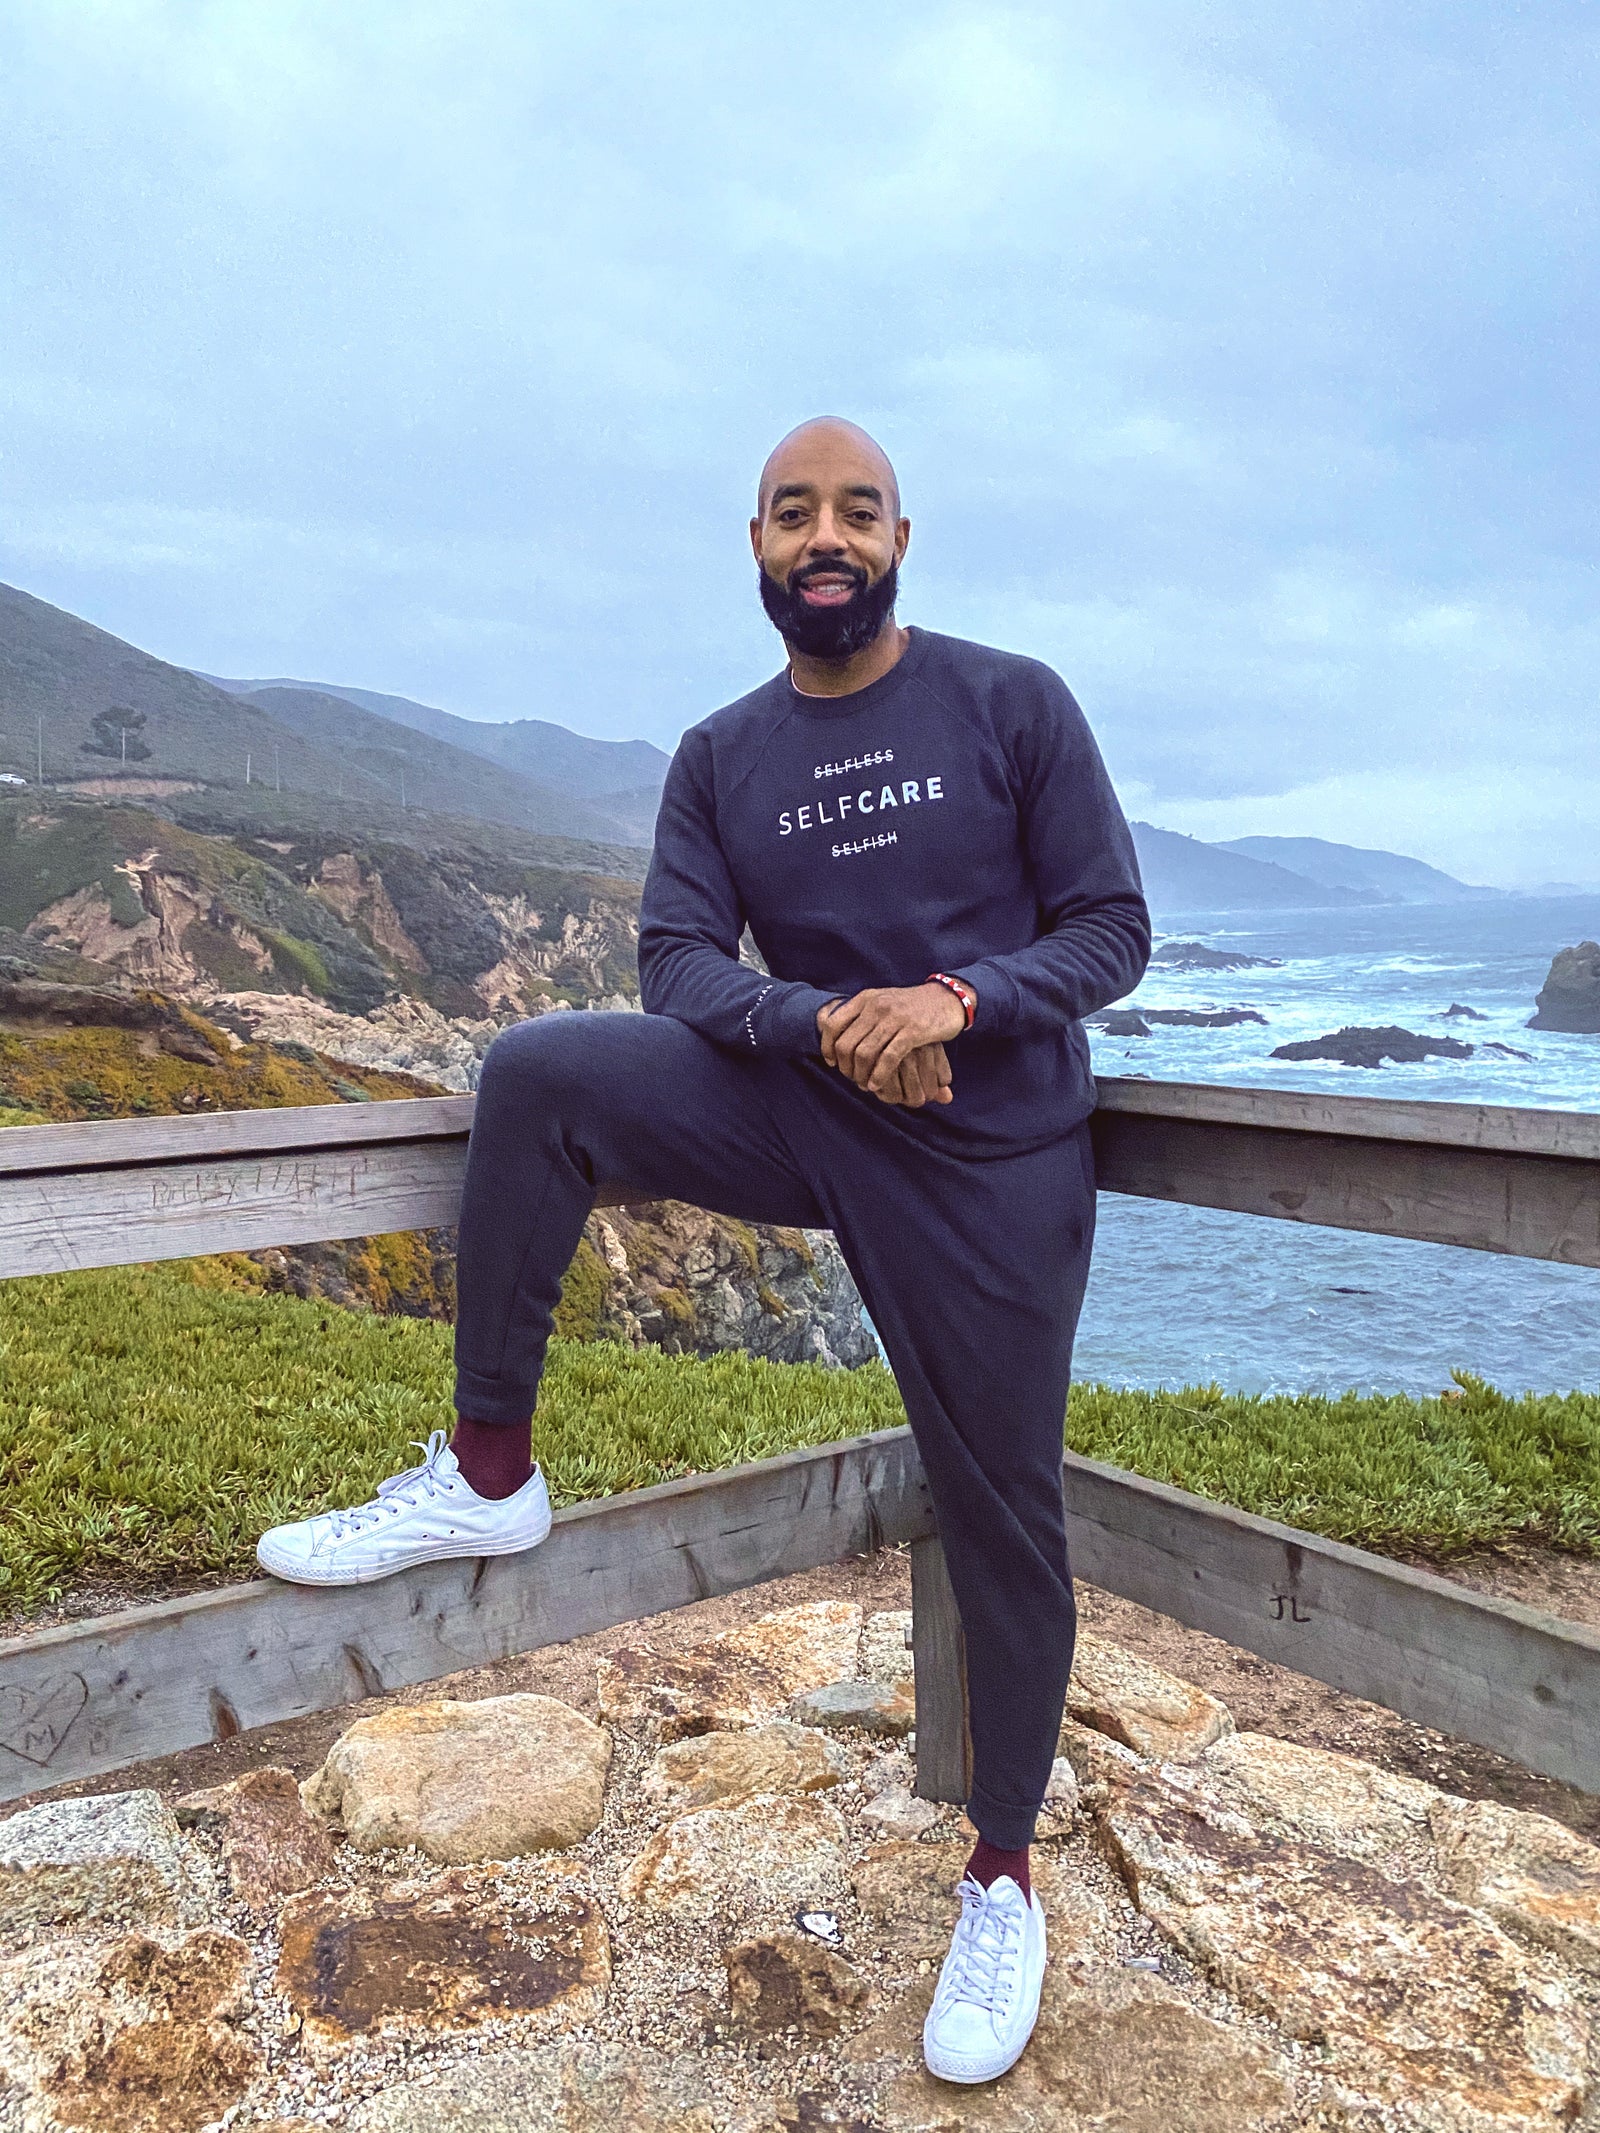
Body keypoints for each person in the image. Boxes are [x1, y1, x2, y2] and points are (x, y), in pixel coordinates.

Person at [257, 417, 1150, 2085]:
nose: (828, 537)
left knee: (1003, 1506)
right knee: (540, 1074)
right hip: (812, 1109)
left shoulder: (1011, 701)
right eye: (795, 513)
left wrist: (954, 1001)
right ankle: (488, 1469)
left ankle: (1001, 1875)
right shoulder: (721, 755)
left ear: (902, 539)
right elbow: (675, 961)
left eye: (858, 511)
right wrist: (827, 1024)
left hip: (993, 1150)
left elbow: (1111, 928)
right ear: (755, 545)